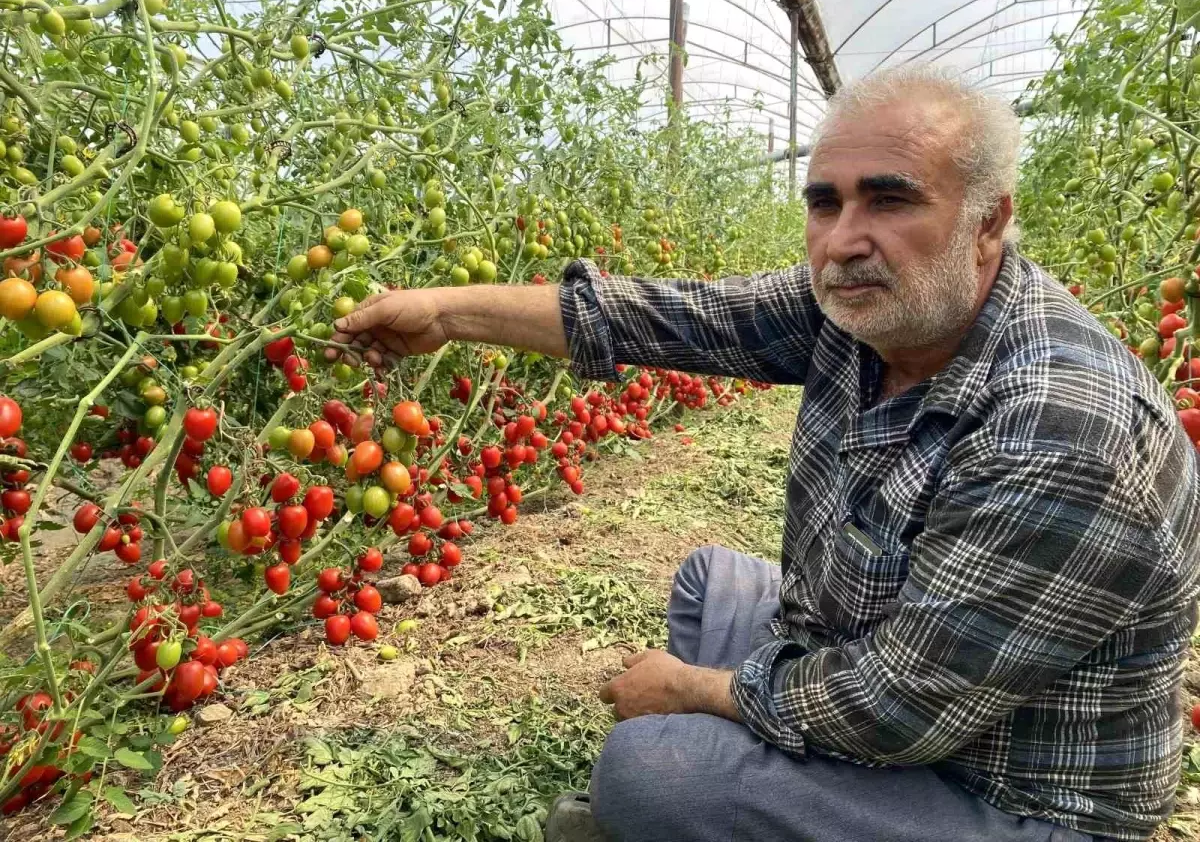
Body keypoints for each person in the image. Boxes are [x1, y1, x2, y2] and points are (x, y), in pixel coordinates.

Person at [327, 64, 1200, 842]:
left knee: (647, 771)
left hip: (1008, 790)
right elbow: (668, 316)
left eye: (889, 199)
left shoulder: (1063, 427)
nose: (845, 238)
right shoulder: (867, 310)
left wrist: (698, 694)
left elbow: (896, 710)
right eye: (826, 202)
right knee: (711, 580)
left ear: (988, 222)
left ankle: (703, 784)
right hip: (906, 669)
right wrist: (445, 314)